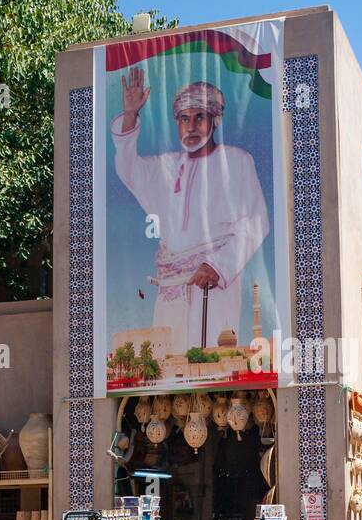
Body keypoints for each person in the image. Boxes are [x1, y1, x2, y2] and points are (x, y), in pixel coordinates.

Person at [112, 67, 269, 351]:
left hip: (211, 284)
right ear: (177, 123)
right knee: (165, 360)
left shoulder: (236, 161)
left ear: (215, 120)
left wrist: (218, 265)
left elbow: (256, 222)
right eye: (184, 119)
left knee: (211, 357)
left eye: (200, 117)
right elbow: (128, 168)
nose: (191, 126)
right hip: (171, 287)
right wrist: (130, 116)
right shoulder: (166, 167)